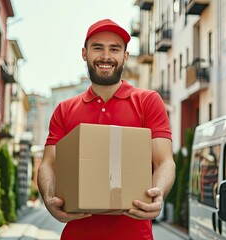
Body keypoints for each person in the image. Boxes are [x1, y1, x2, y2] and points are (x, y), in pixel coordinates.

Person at [38, 19, 176, 240]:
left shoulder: (148, 102)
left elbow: (164, 161)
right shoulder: (65, 109)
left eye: (114, 49)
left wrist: (158, 192)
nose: (106, 56)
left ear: (125, 56)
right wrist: (48, 198)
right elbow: (48, 164)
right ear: (85, 53)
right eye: (97, 47)